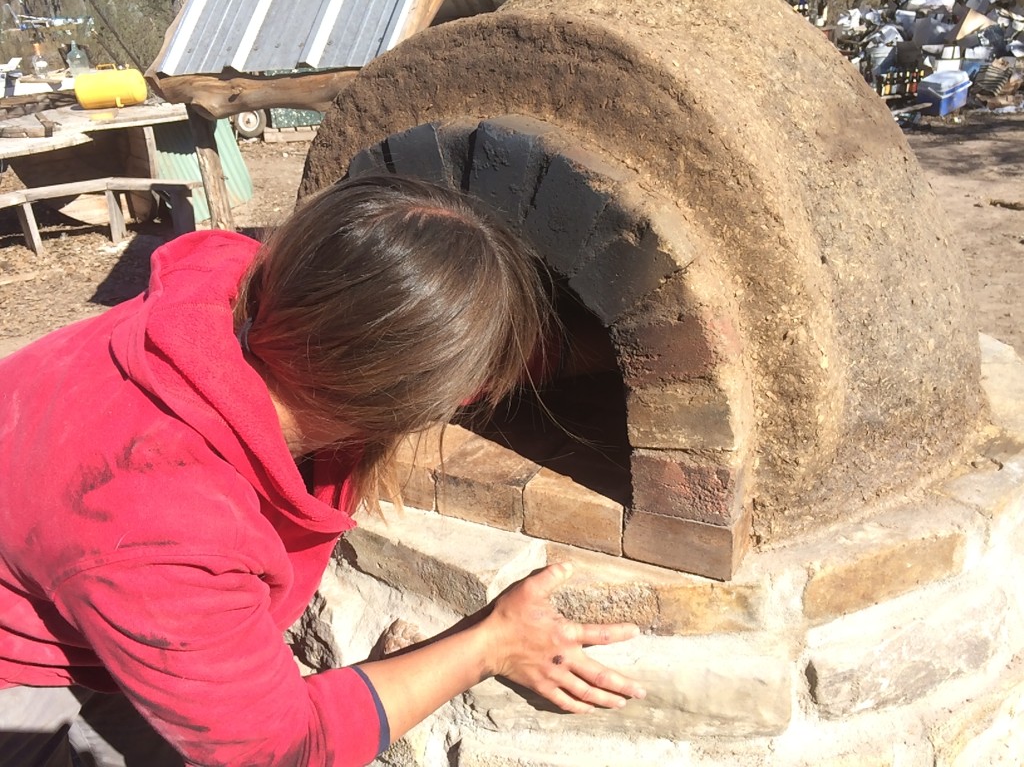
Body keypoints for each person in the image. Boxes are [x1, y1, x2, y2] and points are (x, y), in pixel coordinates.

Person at [0, 175, 646, 767]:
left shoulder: (257, 300)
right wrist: (492, 642)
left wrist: (626, 357)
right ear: (420, 403)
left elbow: (411, 343)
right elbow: (279, 748)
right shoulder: (166, 531)